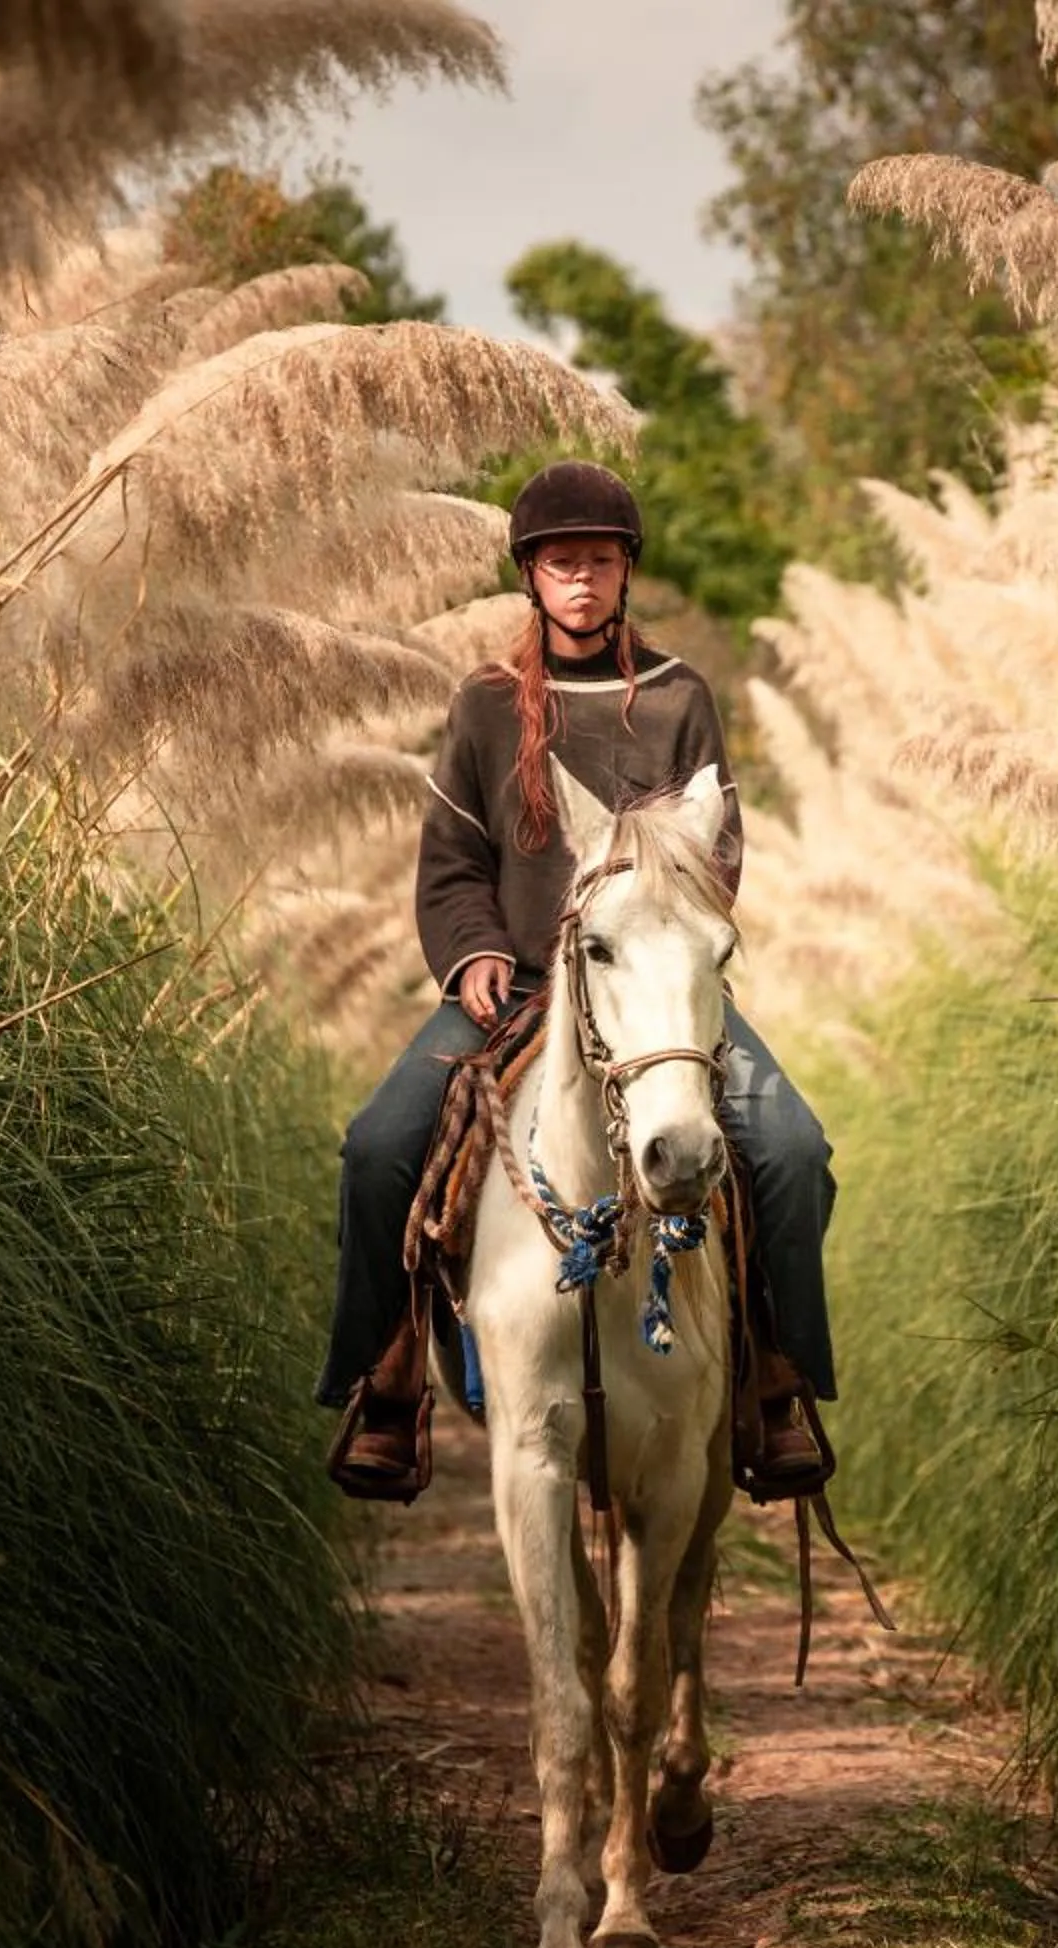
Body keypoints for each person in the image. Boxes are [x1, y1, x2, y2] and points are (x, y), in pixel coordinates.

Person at [319, 460, 837, 1491]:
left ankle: (773, 1382)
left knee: (790, 1145)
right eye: (562, 563)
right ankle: (389, 1385)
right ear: (532, 577)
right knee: (378, 1146)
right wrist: (471, 953)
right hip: (510, 990)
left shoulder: (682, 694)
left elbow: (714, 852)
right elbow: (453, 862)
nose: (582, 580)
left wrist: (657, 936)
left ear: (625, 572)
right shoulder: (485, 706)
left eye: (599, 562)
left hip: (652, 997)